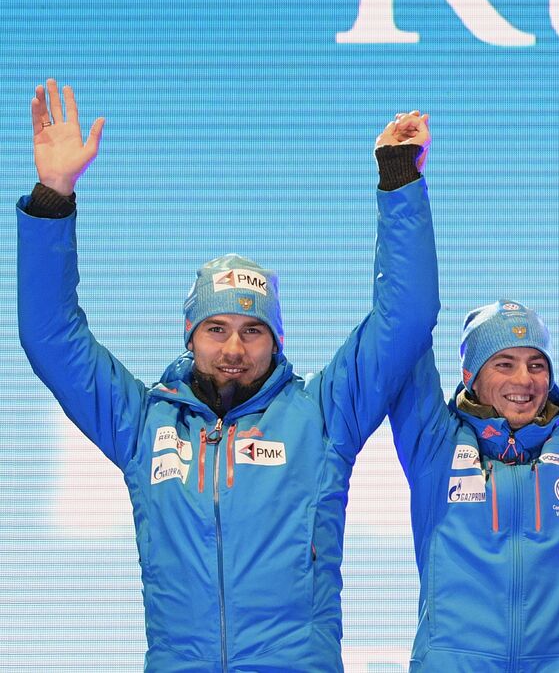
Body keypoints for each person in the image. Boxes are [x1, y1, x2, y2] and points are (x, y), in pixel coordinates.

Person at [16, 79, 439, 672]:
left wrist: (398, 178)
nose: (234, 348)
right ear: (189, 336)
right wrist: (54, 194)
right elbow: (50, 336)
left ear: (278, 339)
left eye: (252, 330)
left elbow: (407, 316)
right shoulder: (142, 423)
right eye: (216, 329)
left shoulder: (321, 415)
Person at [385, 122, 559, 671]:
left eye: (538, 364)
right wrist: (401, 182)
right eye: (504, 363)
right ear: (469, 374)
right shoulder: (433, 443)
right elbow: (407, 319)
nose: (525, 379)